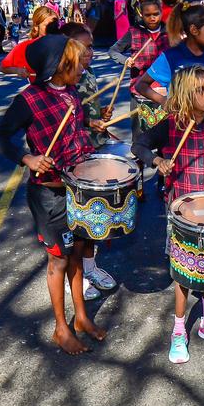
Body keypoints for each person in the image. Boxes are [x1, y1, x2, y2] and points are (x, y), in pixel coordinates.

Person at [0, 35, 109, 355]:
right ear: (56, 68)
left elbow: (74, 130)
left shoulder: (70, 93)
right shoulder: (27, 100)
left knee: (79, 251)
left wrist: (93, 123)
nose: (81, 68)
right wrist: (27, 158)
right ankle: (60, 327)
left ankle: (81, 317)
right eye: (74, 64)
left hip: (76, 188)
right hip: (48, 194)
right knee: (58, 259)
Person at [132, 66, 204, 364]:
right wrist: (157, 160)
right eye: (201, 91)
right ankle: (179, 329)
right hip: (182, 210)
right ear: (184, 95)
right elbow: (138, 144)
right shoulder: (171, 125)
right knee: (184, 270)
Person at [61, 22, 118, 301]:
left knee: (95, 217)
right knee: (77, 223)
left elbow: (87, 112)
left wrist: (100, 117)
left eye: (93, 46)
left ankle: (90, 267)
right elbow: (65, 126)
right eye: (87, 47)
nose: (92, 52)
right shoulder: (65, 79)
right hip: (73, 157)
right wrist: (88, 125)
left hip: (93, 148)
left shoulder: (89, 72)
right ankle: (77, 276)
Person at [136, 1, 204, 105]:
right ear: (194, 30)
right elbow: (141, 85)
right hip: (182, 119)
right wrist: (166, 102)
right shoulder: (171, 57)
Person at [109, 0, 169, 94]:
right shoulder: (134, 32)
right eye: (148, 15)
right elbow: (113, 51)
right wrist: (125, 60)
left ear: (161, 13)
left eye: (156, 14)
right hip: (139, 90)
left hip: (166, 89)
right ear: (141, 14)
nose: (152, 18)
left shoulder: (171, 32)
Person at [0, 6, 60, 80]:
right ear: (36, 26)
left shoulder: (66, 43)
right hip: (39, 89)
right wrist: (18, 70)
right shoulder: (26, 47)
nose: (52, 28)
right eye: (47, 25)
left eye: (55, 24)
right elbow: (3, 67)